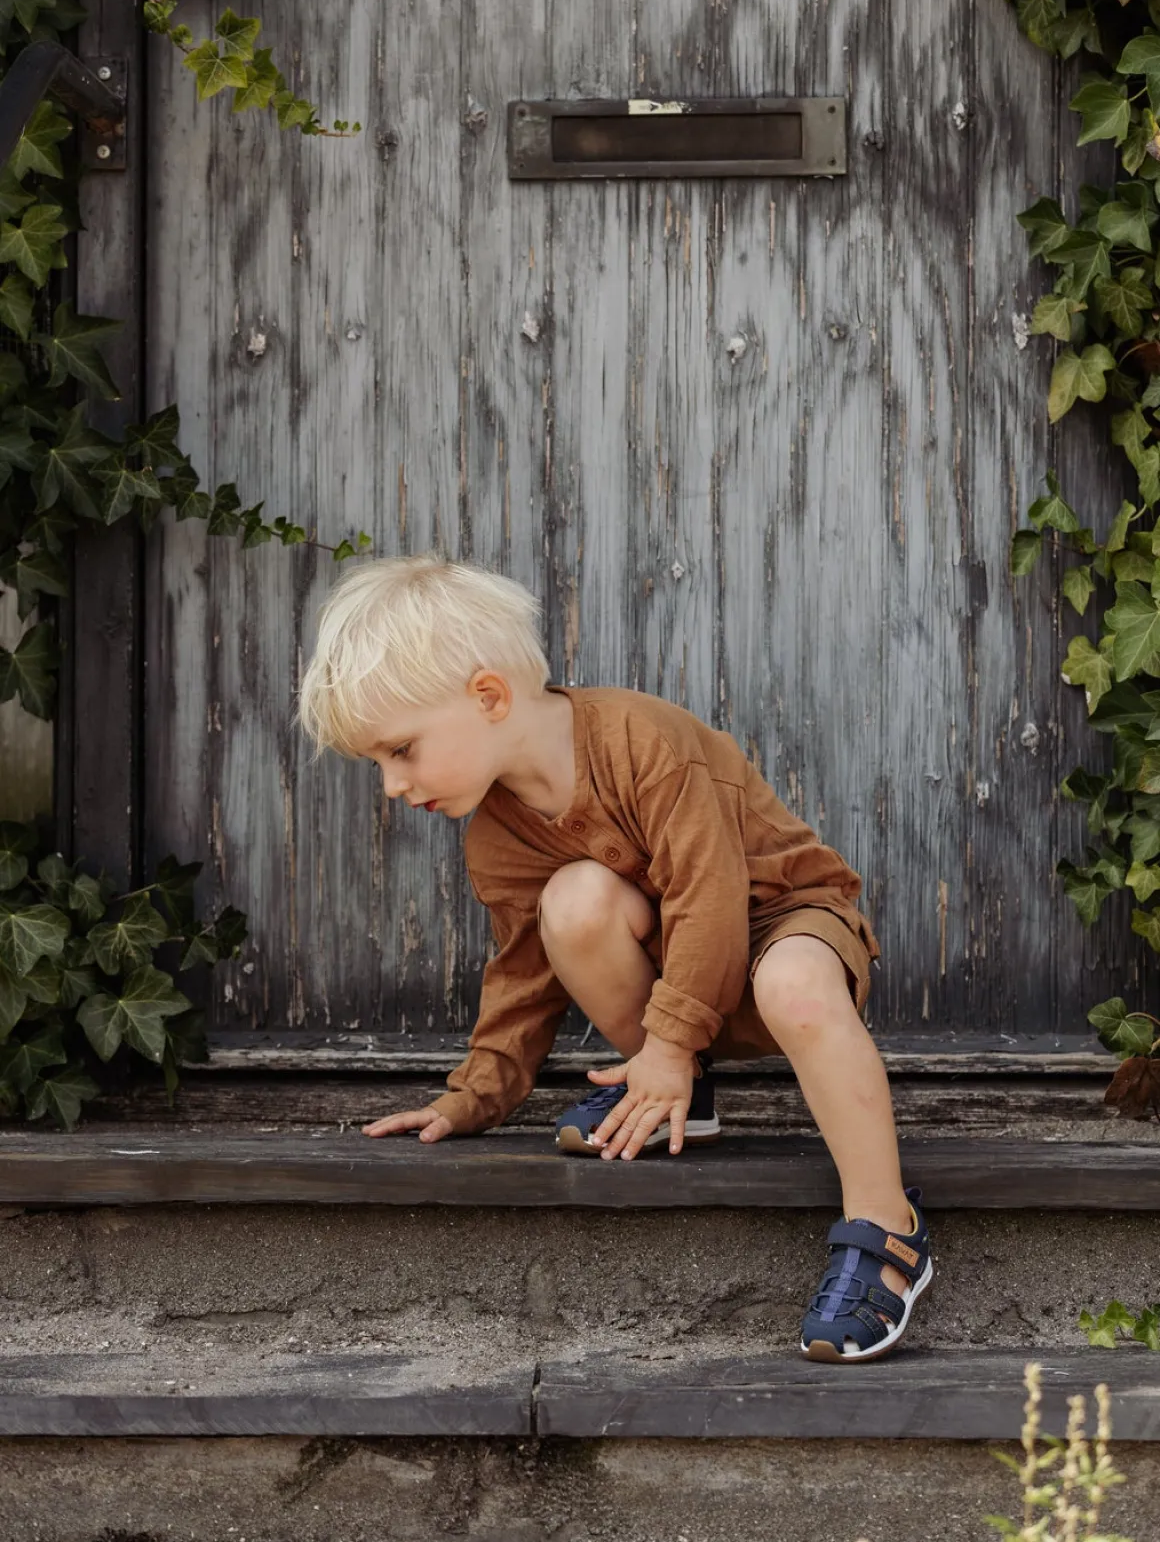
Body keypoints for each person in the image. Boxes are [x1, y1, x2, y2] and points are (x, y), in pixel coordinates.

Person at [297, 553, 932, 1362]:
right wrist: (473, 1096)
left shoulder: (640, 741)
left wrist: (668, 1041)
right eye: (378, 764)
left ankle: (886, 1225)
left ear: (488, 696)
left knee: (794, 982)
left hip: (781, 923)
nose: (392, 784)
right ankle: (678, 1093)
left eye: (402, 749)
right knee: (572, 902)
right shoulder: (497, 838)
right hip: (683, 990)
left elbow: (709, 894)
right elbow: (524, 976)